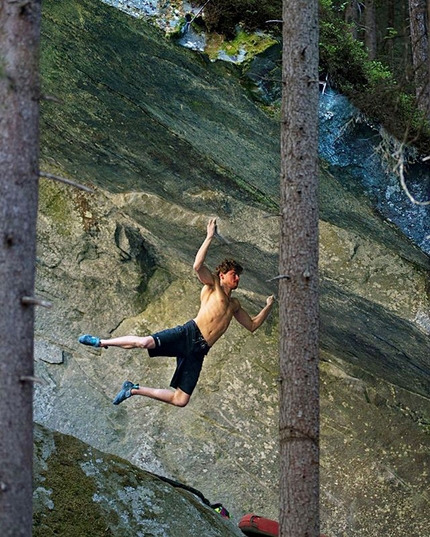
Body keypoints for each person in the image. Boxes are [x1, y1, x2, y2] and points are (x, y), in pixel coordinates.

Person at [79, 218, 274, 408]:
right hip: (189, 334)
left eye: (239, 276)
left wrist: (268, 306)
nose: (237, 278)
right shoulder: (213, 285)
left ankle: (133, 390)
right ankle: (101, 342)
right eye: (234, 275)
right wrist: (209, 238)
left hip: (199, 350)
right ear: (223, 275)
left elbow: (252, 325)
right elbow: (197, 266)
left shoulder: (235, 304)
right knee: (144, 342)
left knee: (181, 400)